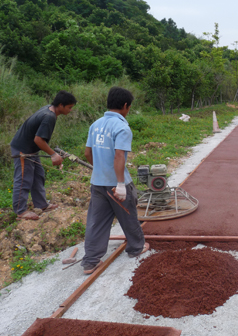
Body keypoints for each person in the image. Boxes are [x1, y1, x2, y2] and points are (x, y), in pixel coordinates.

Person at [82, 87, 148, 275]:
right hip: (117, 183)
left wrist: (100, 170)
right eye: (129, 107)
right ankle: (136, 248)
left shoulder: (95, 125)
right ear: (125, 106)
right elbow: (119, 156)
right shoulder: (122, 127)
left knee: (97, 221)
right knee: (128, 215)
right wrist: (120, 184)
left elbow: (87, 153)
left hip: (97, 183)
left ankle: (90, 261)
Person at [10, 91, 77, 221]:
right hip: (23, 150)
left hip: (31, 149)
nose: (71, 110)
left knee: (38, 175)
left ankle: (41, 204)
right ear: (61, 105)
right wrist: (53, 154)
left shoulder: (49, 110)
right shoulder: (49, 117)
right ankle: (20, 210)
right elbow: (38, 140)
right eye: (69, 107)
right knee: (24, 178)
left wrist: (53, 152)